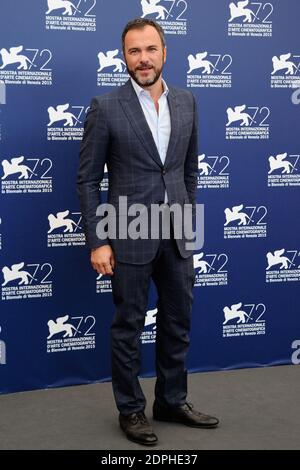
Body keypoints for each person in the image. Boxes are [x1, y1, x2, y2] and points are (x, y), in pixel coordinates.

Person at [77, 18, 219, 446]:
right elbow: (88, 181)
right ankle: (132, 410)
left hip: (177, 232)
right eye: (134, 51)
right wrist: (98, 239)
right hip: (127, 231)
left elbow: (189, 171)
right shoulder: (106, 106)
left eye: (150, 49)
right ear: (124, 56)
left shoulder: (188, 102)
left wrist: (187, 216)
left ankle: (172, 401)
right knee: (129, 326)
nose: (143, 59)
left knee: (178, 322)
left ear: (164, 52)